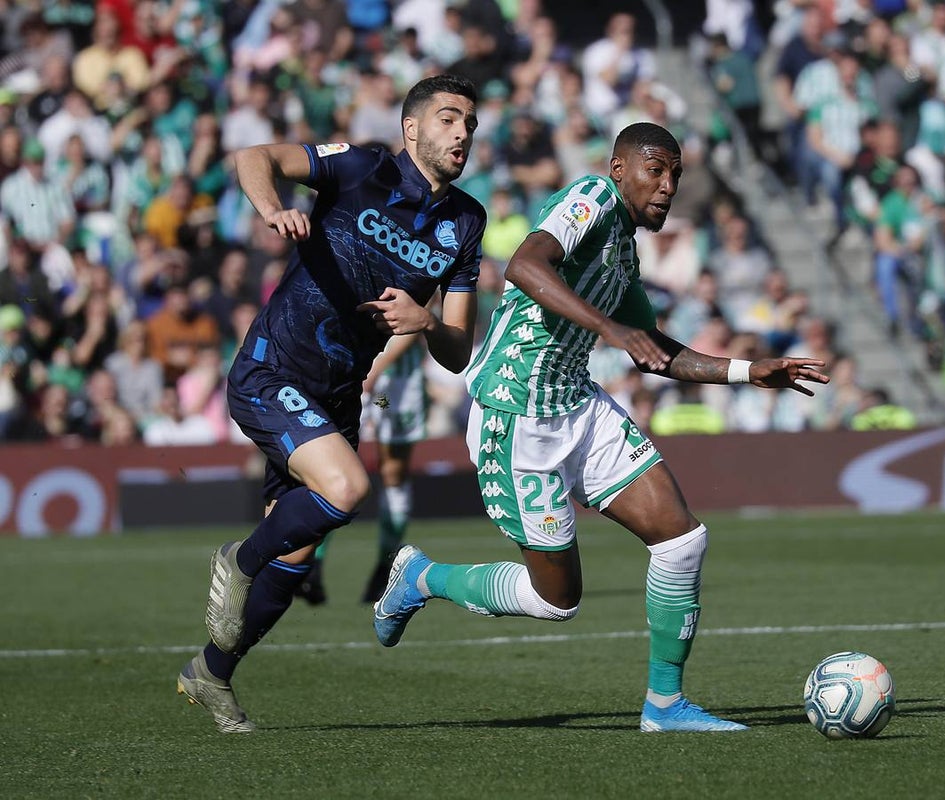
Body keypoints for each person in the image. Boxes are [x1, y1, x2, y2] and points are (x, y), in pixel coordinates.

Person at [371, 122, 828, 732]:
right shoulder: (590, 197)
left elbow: (659, 350)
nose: (667, 186)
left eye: (675, 175)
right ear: (619, 168)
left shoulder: (623, 252)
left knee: (681, 540)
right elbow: (526, 267)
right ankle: (423, 577)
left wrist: (749, 371)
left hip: (575, 405)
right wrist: (611, 330)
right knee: (556, 601)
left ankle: (664, 705)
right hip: (515, 415)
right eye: (655, 170)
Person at [176, 74, 486, 733]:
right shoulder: (363, 166)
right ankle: (236, 559)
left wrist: (425, 323)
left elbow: (458, 350)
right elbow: (253, 157)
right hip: (273, 367)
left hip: (339, 398)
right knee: (345, 488)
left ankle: (210, 674)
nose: (464, 133)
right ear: (412, 129)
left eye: (470, 123)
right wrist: (270, 208)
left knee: (293, 559)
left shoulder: (466, 222)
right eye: (450, 119)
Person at [296, 332, 430, 605]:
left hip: (390, 389)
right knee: (332, 464)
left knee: (393, 472)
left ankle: (386, 568)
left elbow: (416, 319)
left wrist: (374, 372)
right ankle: (313, 568)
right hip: (351, 370)